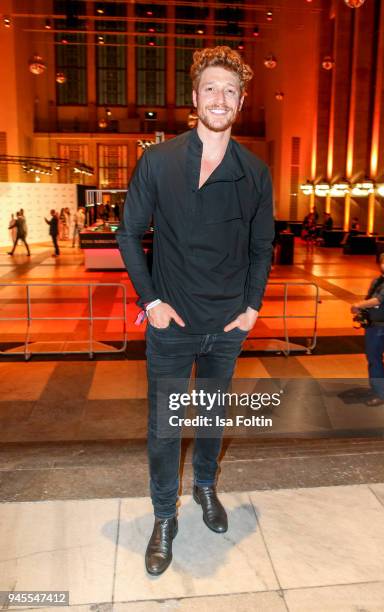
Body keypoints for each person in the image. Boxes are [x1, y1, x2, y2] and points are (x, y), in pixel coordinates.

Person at [116, 45, 274, 576]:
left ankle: (206, 487)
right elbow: (128, 231)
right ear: (194, 97)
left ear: (242, 100)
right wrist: (152, 301)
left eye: (230, 90)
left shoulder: (254, 171)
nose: (220, 98)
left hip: (226, 326)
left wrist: (252, 307)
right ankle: (165, 515)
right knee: (164, 428)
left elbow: (260, 245)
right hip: (171, 325)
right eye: (211, 88)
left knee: (210, 418)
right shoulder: (159, 160)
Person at [351, 252, 384, 406]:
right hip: (371, 325)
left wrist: (358, 305)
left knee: (376, 359)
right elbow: (369, 299)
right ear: (380, 263)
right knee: (371, 358)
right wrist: (361, 310)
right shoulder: (377, 280)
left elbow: (378, 300)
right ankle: (374, 388)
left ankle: (380, 394)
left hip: (380, 326)